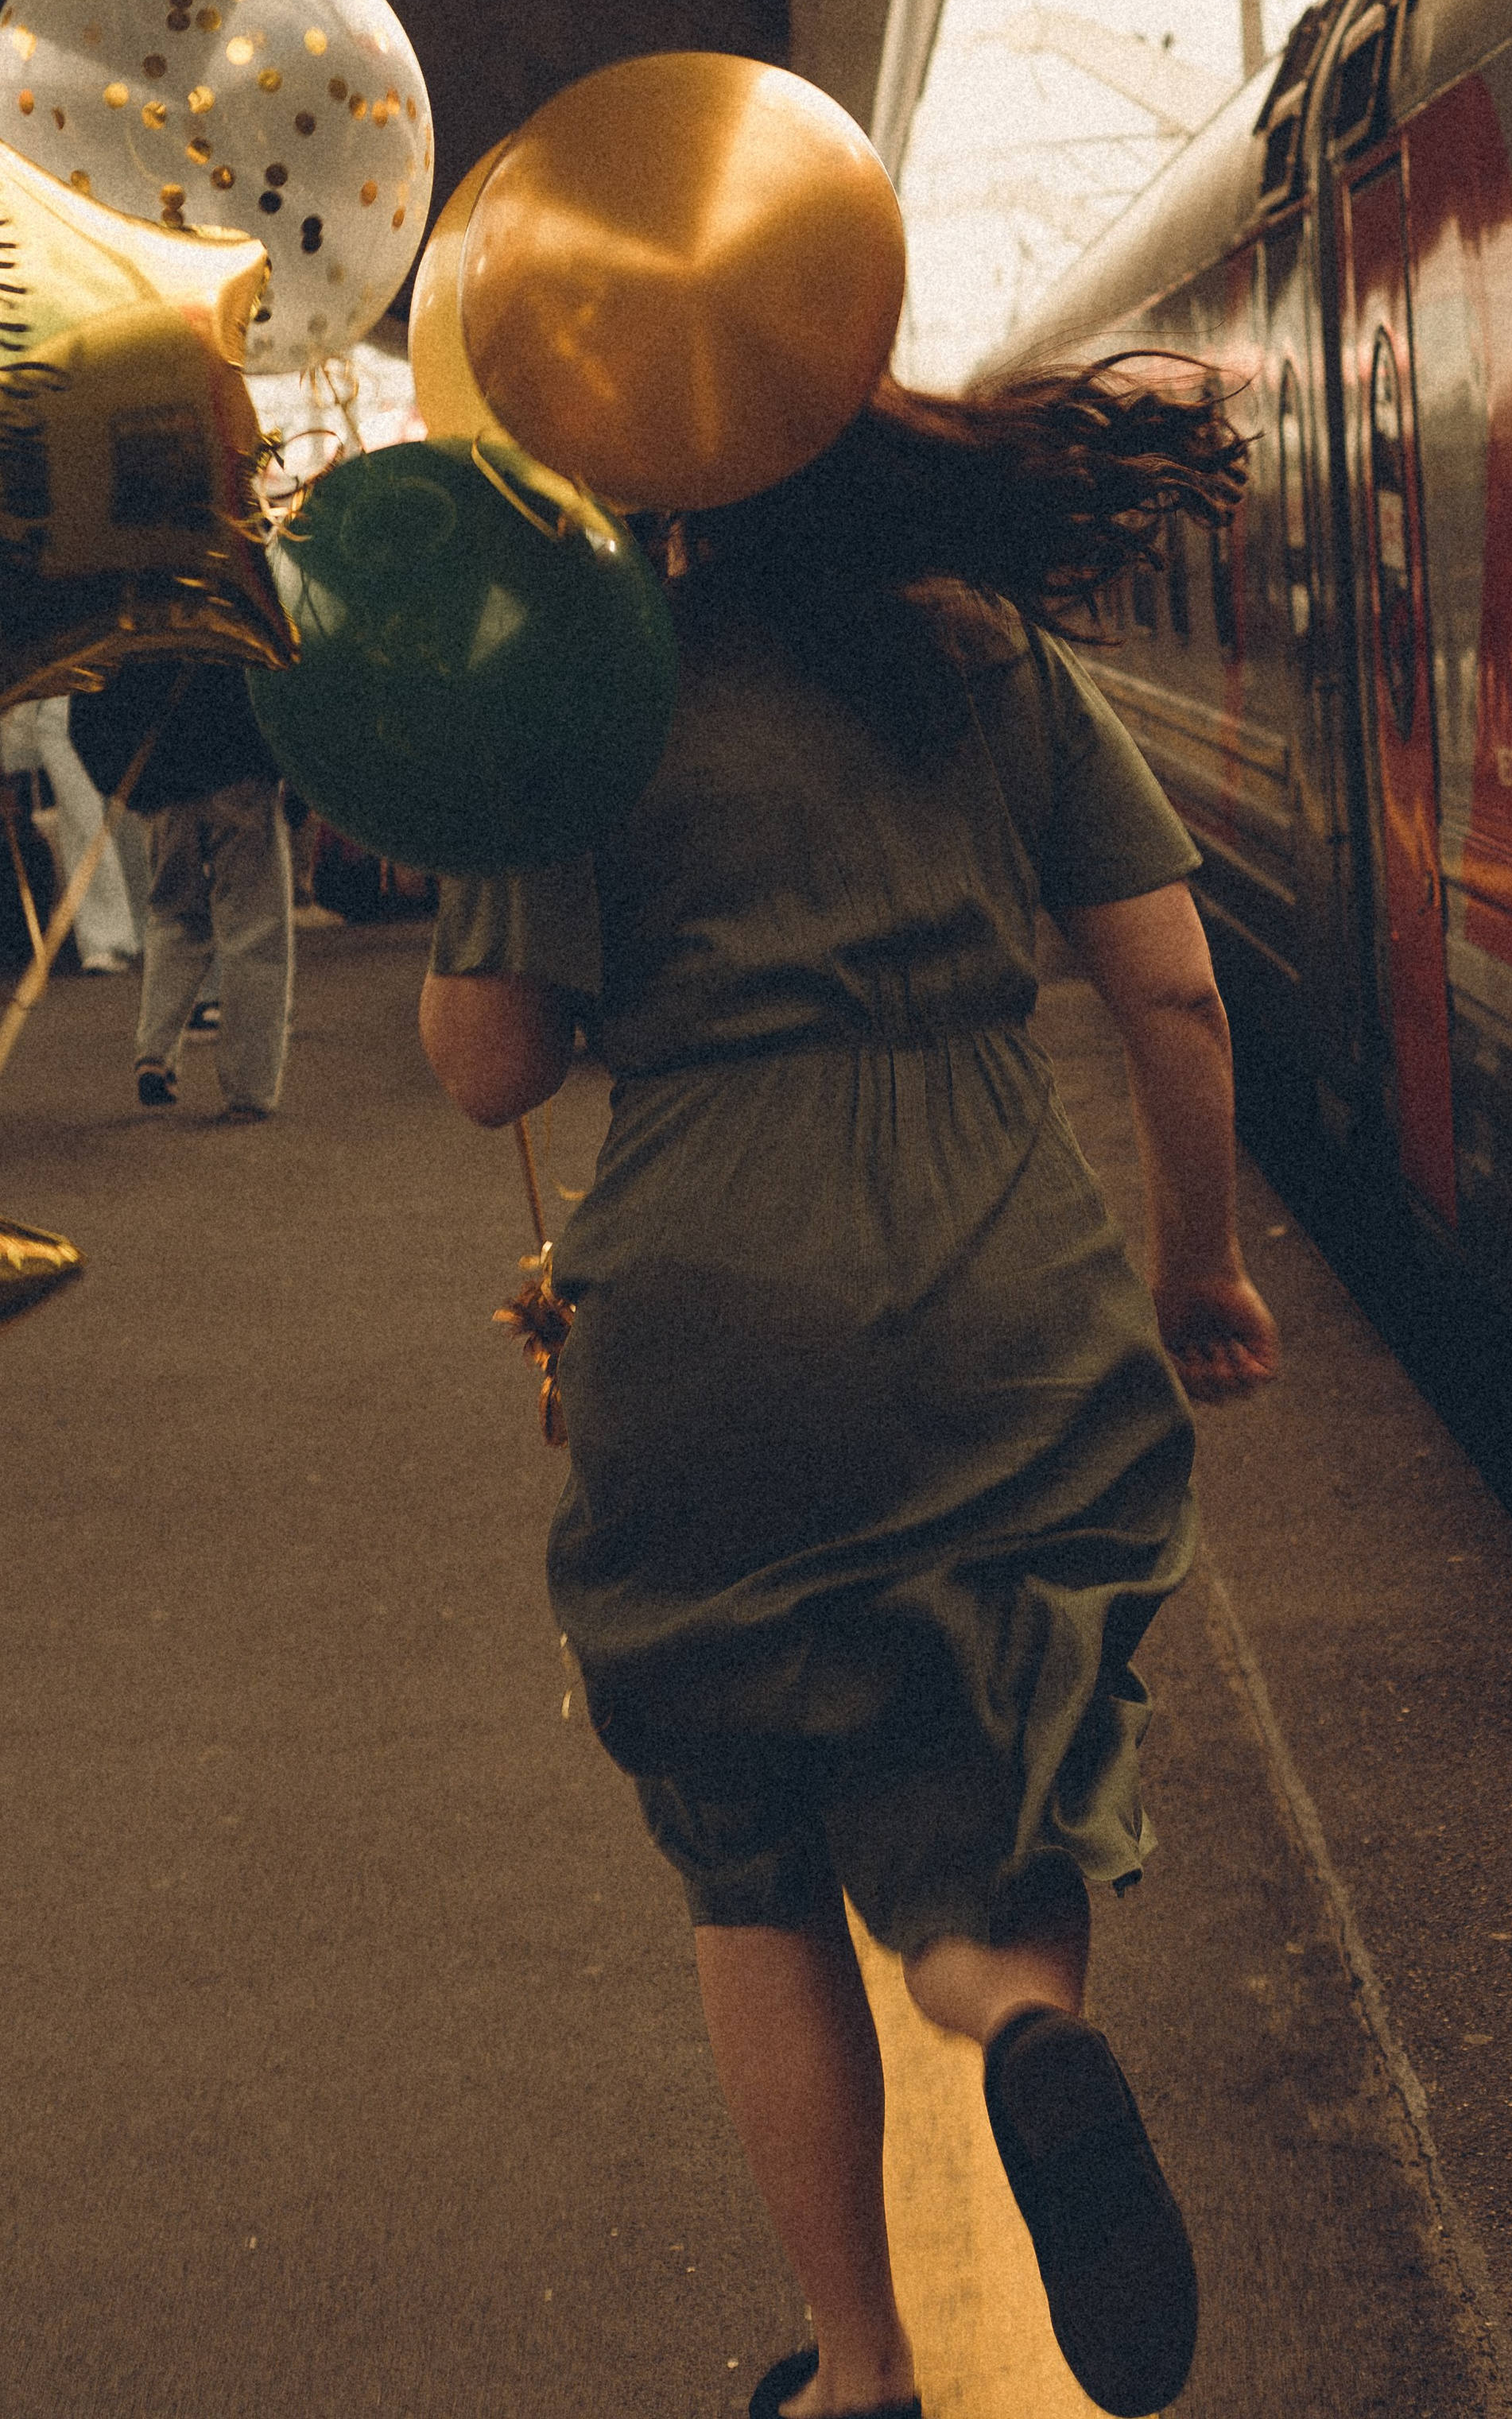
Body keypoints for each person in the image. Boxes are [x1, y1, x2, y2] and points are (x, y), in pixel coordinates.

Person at [421, 367, 1280, 2419]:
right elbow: (1171, 987)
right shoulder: (979, 650)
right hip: (1004, 1253)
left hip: (710, 1277)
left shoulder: (590, 687)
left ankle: (868, 2375)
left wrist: (484, 822)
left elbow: (488, 1069)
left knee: (752, 1849)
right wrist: (1197, 1268)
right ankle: (1012, 2016)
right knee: (993, 1744)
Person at [68, 657, 294, 1122]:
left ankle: (155, 1052)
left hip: (164, 785)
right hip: (240, 769)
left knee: (173, 916)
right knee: (254, 928)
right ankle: (249, 1090)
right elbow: (277, 679)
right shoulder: (228, 590)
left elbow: (86, 710)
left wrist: (125, 789)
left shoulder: (134, 594)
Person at [0, 696, 140, 972]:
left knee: (126, 813)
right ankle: (108, 937)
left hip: (92, 692)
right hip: (57, 700)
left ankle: (137, 926)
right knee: (85, 818)